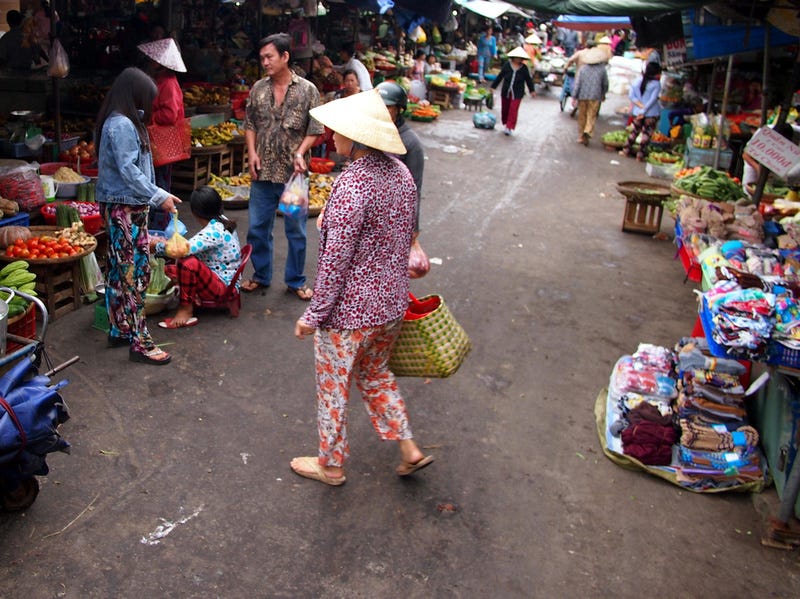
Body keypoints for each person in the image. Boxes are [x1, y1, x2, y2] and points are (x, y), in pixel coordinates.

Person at [290, 89, 434, 486]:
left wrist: (314, 315)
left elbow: (335, 262)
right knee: (375, 375)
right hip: (390, 305)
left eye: (337, 132)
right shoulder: (400, 173)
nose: (331, 137)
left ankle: (331, 465)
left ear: (355, 138)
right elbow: (399, 233)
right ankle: (409, 449)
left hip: (349, 314)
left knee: (334, 388)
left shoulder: (352, 185)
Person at [94, 67, 181, 365]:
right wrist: (160, 196)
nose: (151, 106)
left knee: (121, 273)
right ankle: (140, 343)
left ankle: (121, 328)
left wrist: (155, 195)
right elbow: (129, 171)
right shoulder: (121, 125)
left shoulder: (126, 122)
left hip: (129, 206)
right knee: (133, 275)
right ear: (134, 95)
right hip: (124, 209)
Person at [242, 33, 323, 299]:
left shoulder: (308, 90)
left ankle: (296, 280)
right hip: (262, 172)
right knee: (257, 227)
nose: (264, 62)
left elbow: (315, 129)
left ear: (285, 56)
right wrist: (252, 152)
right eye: (262, 57)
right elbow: (251, 124)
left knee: (296, 230)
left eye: (270, 57)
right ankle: (261, 275)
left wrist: (301, 152)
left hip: (293, 176)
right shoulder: (258, 89)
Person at [151, 186, 242, 329]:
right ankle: (190, 295)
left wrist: (156, 245)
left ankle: (185, 309)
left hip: (223, 287)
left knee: (186, 263)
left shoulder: (213, 232)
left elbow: (182, 250)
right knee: (168, 270)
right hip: (224, 278)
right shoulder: (221, 220)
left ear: (195, 212)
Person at [137, 37, 187, 203]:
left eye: (154, 58)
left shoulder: (168, 83)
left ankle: (161, 220)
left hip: (163, 143)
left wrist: (148, 116)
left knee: (160, 183)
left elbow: (169, 115)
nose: (150, 61)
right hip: (157, 142)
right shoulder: (159, 80)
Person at [376, 81, 424, 237]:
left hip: (394, 215)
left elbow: (414, 187)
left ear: (398, 109)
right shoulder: (370, 134)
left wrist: (413, 228)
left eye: (388, 107)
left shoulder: (410, 142)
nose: (382, 111)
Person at [620, 62, 663, 161]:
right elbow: (652, 100)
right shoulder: (656, 84)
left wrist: (639, 106)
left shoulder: (638, 80)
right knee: (646, 134)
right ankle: (640, 155)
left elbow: (631, 95)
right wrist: (644, 110)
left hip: (637, 112)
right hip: (651, 114)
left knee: (634, 131)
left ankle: (626, 150)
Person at [490, 47, 536, 136]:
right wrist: (493, 86)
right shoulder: (507, 65)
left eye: (520, 58)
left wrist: (532, 90)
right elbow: (500, 76)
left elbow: (528, 80)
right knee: (505, 108)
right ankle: (506, 123)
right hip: (506, 90)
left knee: (513, 109)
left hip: (518, 92)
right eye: (517, 57)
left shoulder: (524, 68)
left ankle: (509, 126)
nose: (518, 59)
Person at [572, 60, 608, 146]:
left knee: (582, 116)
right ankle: (587, 130)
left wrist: (574, 96)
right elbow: (605, 84)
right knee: (591, 115)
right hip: (595, 96)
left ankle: (581, 136)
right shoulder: (602, 69)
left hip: (582, 95)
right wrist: (603, 93)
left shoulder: (583, 69)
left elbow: (577, 84)